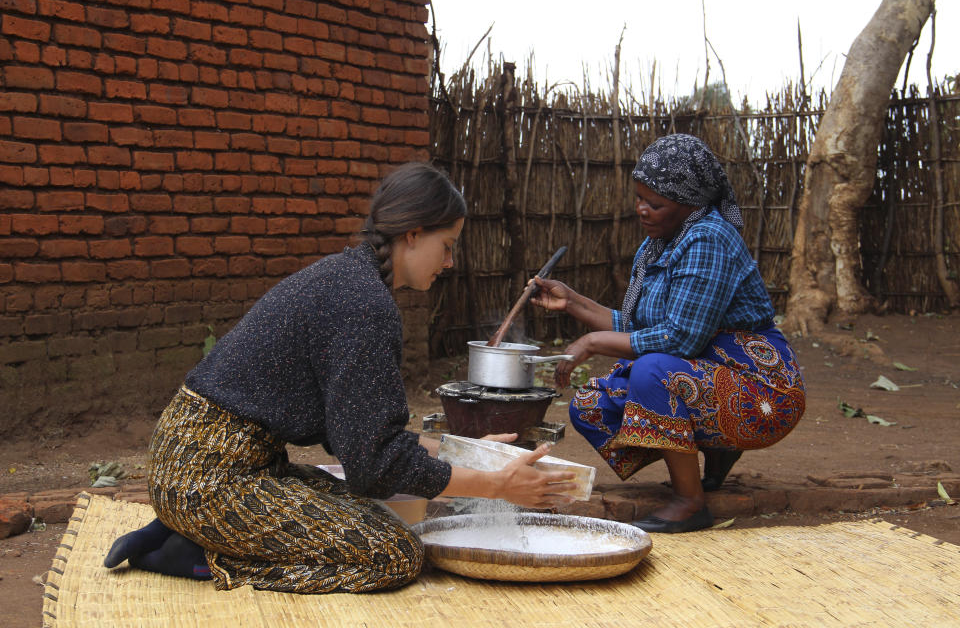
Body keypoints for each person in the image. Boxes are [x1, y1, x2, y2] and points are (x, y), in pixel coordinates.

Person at [104, 162, 576, 593]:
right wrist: (496, 486)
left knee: (366, 514)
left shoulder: (351, 282)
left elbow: (365, 437)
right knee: (394, 554)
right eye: (447, 246)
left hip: (211, 463)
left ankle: (189, 527)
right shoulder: (362, 304)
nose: (449, 263)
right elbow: (378, 469)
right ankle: (200, 553)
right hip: (209, 477)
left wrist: (470, 455)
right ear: (413, 234)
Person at [531, 134, 805, 533]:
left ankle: (691, 502)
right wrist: (572, 301)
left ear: (690, 202)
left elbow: (679, 341)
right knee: (592, 405)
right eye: (639, 198)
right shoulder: (659, 244)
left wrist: (590, 343)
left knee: (651, 372)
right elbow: (641, 328)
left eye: (655, 203)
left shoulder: (708, 239)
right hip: (709, 375)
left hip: (762, 389)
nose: (642, 209)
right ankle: (714, 450)